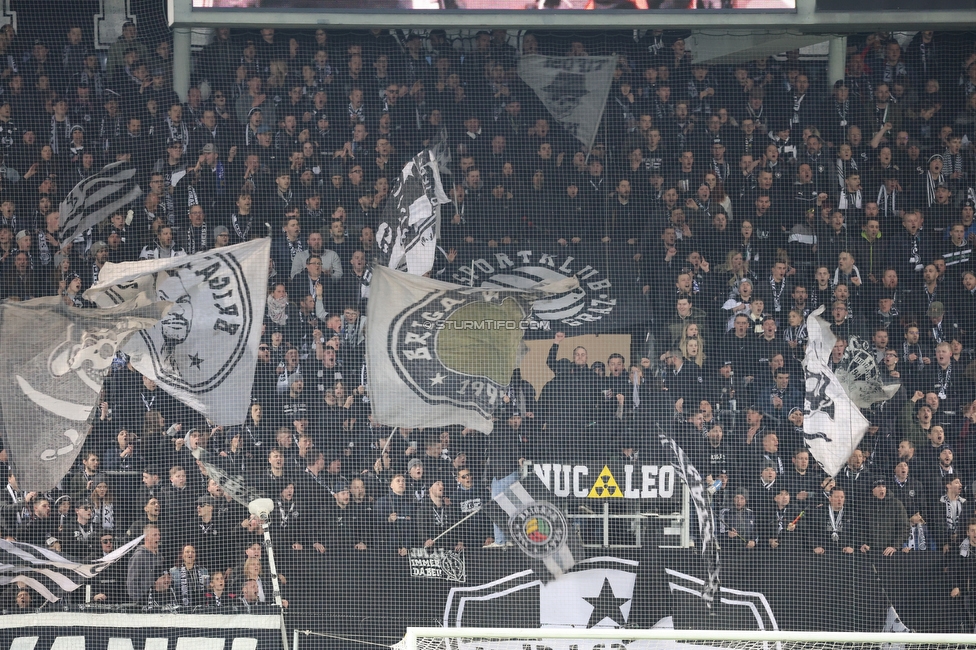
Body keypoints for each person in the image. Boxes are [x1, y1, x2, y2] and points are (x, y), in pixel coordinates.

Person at [126, 524, 163, 605]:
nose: (158, 537)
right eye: (155, 535)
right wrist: (140, 601)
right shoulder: (139, 556)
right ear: (146, 538)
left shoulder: (159, 556)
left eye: (159, 534)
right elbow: (131, 583)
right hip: (143, 603)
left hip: (157, 602)